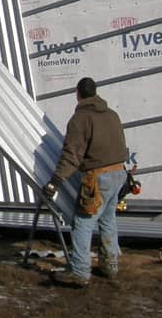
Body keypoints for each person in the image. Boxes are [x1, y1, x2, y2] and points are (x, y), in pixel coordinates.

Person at [42, 77, 129, 288]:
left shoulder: (81, 119)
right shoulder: (112, 114)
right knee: (108, 220)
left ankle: (80, 272)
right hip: (119, 173)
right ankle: (110, 266)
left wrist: (55, 181)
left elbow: (72, 155)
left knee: (83, 222)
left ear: (77, 94)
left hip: (98, 177)